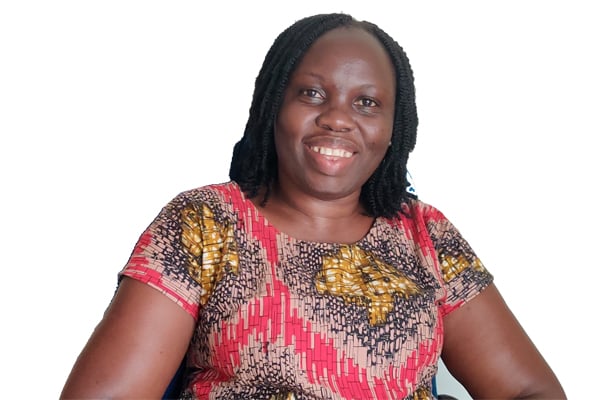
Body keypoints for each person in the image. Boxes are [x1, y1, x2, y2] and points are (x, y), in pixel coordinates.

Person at [60, 13, 566, 400]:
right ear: (273, 108)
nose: (338, 119)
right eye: (312, 93)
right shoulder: (204, 223)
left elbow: (530, 391)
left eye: (366, 102)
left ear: (395, 128)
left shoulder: (426, 234)